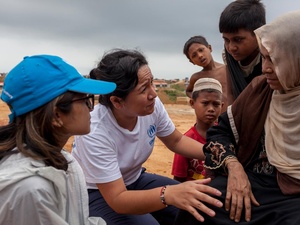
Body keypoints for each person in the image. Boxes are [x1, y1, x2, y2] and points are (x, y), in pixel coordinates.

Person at [174, 10, 300, 225]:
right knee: (198, 207)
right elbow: (219, 132)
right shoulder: (260, 88)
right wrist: (234, 166)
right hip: (252, 182)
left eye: (274, 59)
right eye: (265, 58)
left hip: (294, 197)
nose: (266, 68)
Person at [72, 49, 223, 225]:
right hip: (98, 192)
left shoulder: (151, 105)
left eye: (151, 83)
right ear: (117, 101)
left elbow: (176, 140)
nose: (154, 94)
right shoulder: (96, 131)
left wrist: (217, 153)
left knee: (199, 209)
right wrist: (168, 194)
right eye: (144, 89)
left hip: (134, 179)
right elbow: (118, 199)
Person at [0, 55, 117, 225]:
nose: (91, 109)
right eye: (86, 100)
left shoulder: (60, 159)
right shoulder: (32, 191)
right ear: (56, 115)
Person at [172, 78, 224, 182]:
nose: (211, 109)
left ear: (222, 106)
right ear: (192, 103)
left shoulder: (226, 136)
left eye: (216, 104)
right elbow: (178, 180)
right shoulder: (185, 142)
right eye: (205, 103)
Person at [220, 0, 266, 104]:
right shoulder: (228, 56)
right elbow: (231, 94)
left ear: (258, 33)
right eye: (226, 40)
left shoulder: (270, 56)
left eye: (238, 39)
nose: (231, 48)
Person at [183, 35, 228, 112]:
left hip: (234, 115)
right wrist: (198, 98)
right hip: (214, 119)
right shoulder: (197, 77)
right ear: (192, 62)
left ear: (209, 48)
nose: (200, 56)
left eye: (201, 50)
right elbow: (188, 91)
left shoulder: (227, 69)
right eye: (194, 55)